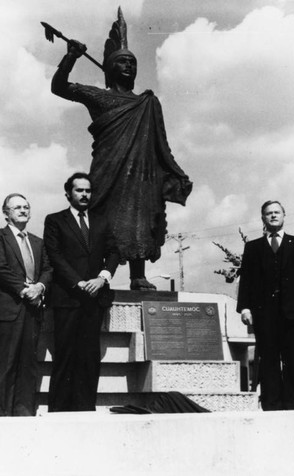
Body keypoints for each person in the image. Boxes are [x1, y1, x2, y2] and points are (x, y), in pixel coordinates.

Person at [50, 8, 192, 290]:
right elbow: (59, 87)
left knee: (140, 218)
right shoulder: (99, 97)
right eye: (123, 61)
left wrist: (172, 172)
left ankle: (137, 276)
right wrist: (71, 56)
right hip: (107, 170)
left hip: (141, 174)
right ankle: (98, 273)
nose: (129, 66)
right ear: (110, 68)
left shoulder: (148, 102)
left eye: (133, 62)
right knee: (103, 220)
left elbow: (160, 142)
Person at [43, 172, 120, 411]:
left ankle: (86, 409)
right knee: (65, 356)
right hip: (67, 298)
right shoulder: (55, 220)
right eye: (79, 190)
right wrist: (78, 282)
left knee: (89, 358)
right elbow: (54, 255)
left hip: (94, 300)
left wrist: (102, 278)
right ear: (68, 193)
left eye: (88, 191)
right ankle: (60, 411)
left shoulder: (102, 220)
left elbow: (114, 252)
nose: (85, 195)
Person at [236, 200, 294, 410]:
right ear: (263, 218)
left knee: (292, 357)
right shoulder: (253, 247)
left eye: (277, 212)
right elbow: (246, 280)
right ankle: (271, 404)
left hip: (292, 314)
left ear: (284, 215)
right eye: (268, 213)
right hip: (264, 315)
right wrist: (245, 307)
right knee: (269, 358)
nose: (273, 216)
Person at [0, 193, 52, 416]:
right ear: (6, 213)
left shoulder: (37, 242)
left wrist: (39, 287)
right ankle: (1, 416)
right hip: (8, 309)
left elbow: (48, 269)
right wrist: (25, 290)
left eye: (26, 207)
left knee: (28, 365)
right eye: (17, 208)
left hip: (32, 311)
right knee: (6, 365)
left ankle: (24, 415)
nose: (23, 211)